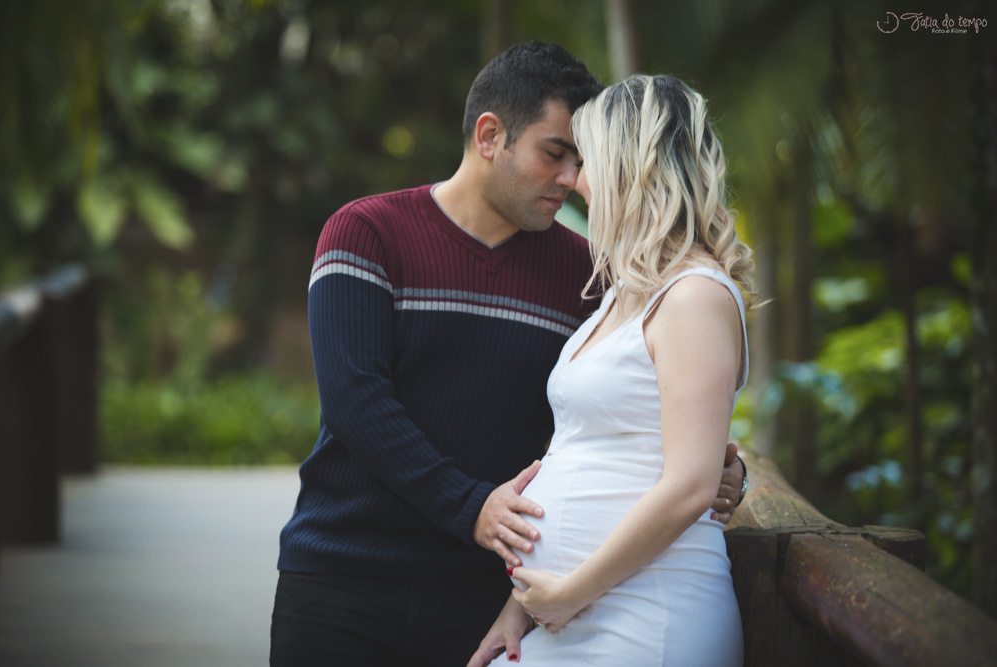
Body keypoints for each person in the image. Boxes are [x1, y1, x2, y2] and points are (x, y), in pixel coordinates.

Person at [270, 43, 746, 667]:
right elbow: (356, 399)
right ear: (491, 136)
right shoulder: (367, 232)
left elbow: (613, 414)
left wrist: (721, 469)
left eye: (581, 159)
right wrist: (472, 507)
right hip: (348, 576)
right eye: (555, 153)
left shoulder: (593, 275)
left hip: (490, 589)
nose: (571, 179)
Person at [469, 73, 754, 666]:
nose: (571, 179)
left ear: (632, 166)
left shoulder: (695, 295)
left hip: (648, 615)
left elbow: (691, 483)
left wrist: (570, 591)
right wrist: (524, 603)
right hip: (572, 609)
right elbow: (600, 450)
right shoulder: (625, 291)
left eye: (585, 159)